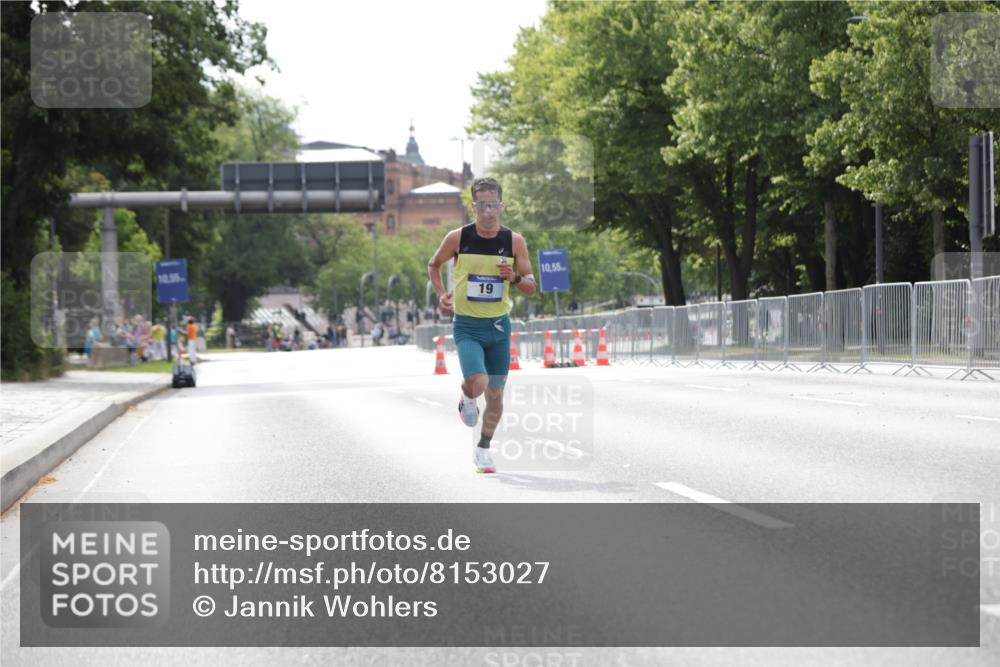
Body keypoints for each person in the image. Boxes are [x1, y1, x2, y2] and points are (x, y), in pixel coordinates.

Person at [427, 177, 536, 473]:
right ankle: (466, 397)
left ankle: (484, 449)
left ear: (501, 206)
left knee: (496, 394)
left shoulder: (514, 241)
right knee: (479, 381)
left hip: (499, 327)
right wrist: (441, 295)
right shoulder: (457, 238)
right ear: (473, 206)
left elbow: (530, 285)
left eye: (493, 205)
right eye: (481, 205)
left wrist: (512, 277)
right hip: (467, 325)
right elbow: (433, 264)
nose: (488, 211)